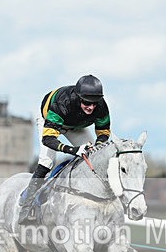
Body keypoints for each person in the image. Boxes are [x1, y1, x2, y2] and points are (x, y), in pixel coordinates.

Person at [18, 74, 111, 223]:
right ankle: (26, 205)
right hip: (49, 121)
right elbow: (48, 139)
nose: (91, 107)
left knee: (94, 158)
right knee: (47, 162)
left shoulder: (101, 106)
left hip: (75, 126)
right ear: (79, 97)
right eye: (87, 103)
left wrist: (97, 147)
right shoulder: (63, 103)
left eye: (94, 103)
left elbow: (104, 133)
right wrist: (73, 150)